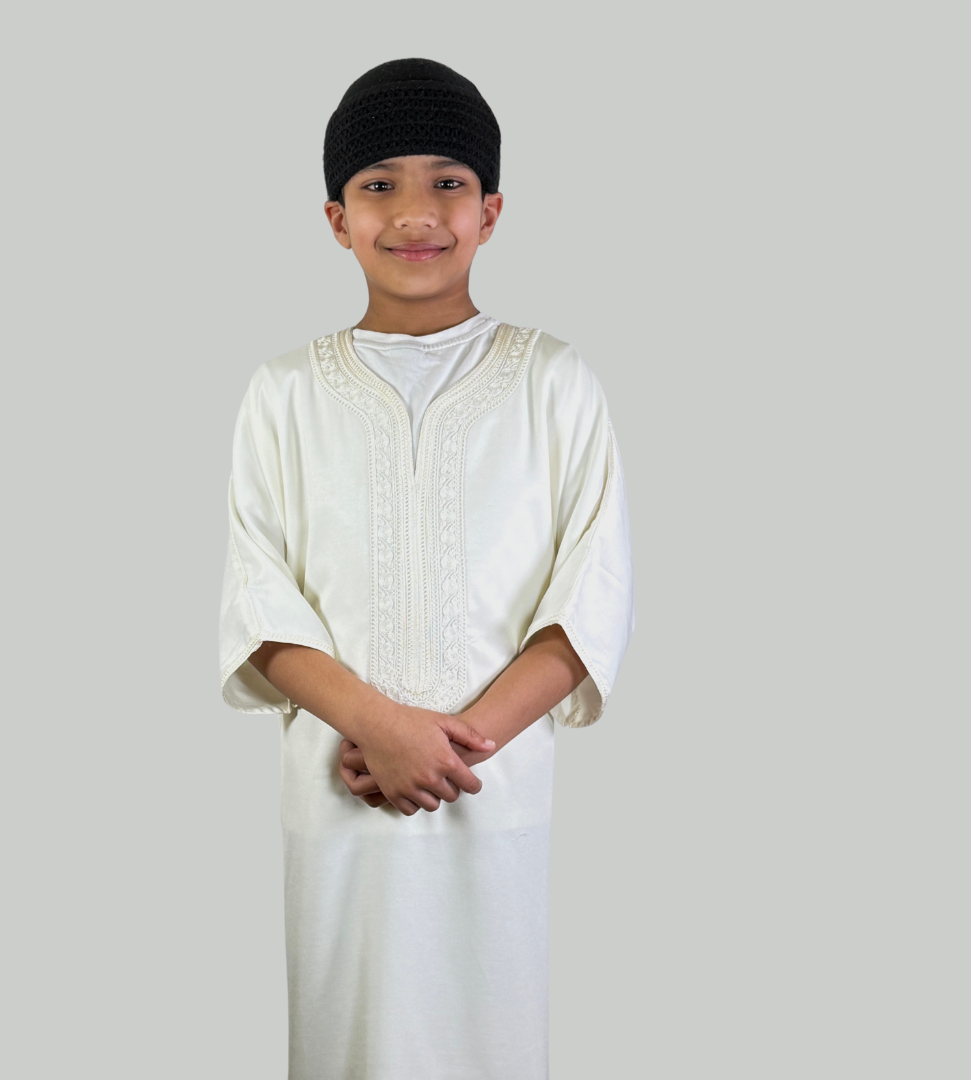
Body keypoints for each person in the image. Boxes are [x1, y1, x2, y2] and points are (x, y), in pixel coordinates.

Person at [218, 57, 635, 1080]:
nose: (415, 212)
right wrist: (377, 726)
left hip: (491, 788)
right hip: (341, 790)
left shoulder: (553, 380)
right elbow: (259, 600)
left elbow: (591, 595)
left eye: (448, 181)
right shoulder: (284, 393)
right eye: (380, 184)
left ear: (491, 211)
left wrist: (448, 747)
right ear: (336, 217)